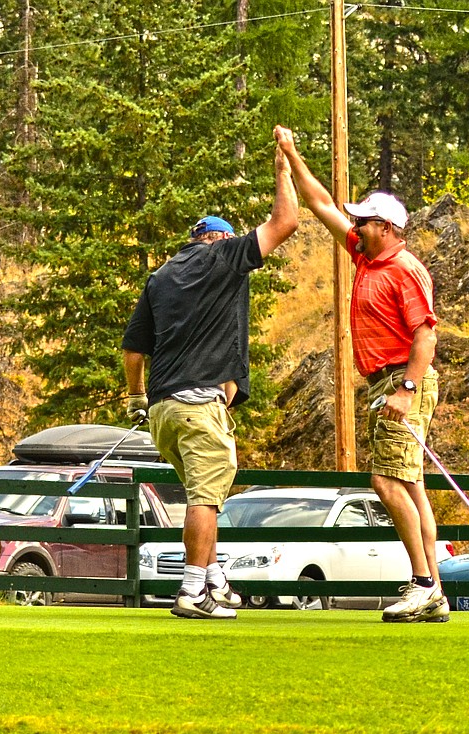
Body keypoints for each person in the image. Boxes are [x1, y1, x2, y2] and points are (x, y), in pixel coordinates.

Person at [274, 125, 447, 623]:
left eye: (366, 221)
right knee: (410, 486)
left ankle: (421, 585)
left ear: (388, 229)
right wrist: (291, 153)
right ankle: (433, 588)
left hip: (403, 380)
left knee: (386, 481)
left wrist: (408, 389)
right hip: (386, 382)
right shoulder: (365, 256)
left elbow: (426, 336)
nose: (357, 226)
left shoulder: (404, 268)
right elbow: (322, 204)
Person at [121, 141, 298, 620]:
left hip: (162, 412)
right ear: (220, 241)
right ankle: (193, 590)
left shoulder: (161, 277)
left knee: (207, 494)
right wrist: (283, 167)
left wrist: (138, 398)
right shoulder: (225, 258)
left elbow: (134, 349)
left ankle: (215, 579)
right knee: (206, 497)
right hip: (199, 406)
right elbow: (286, 223)